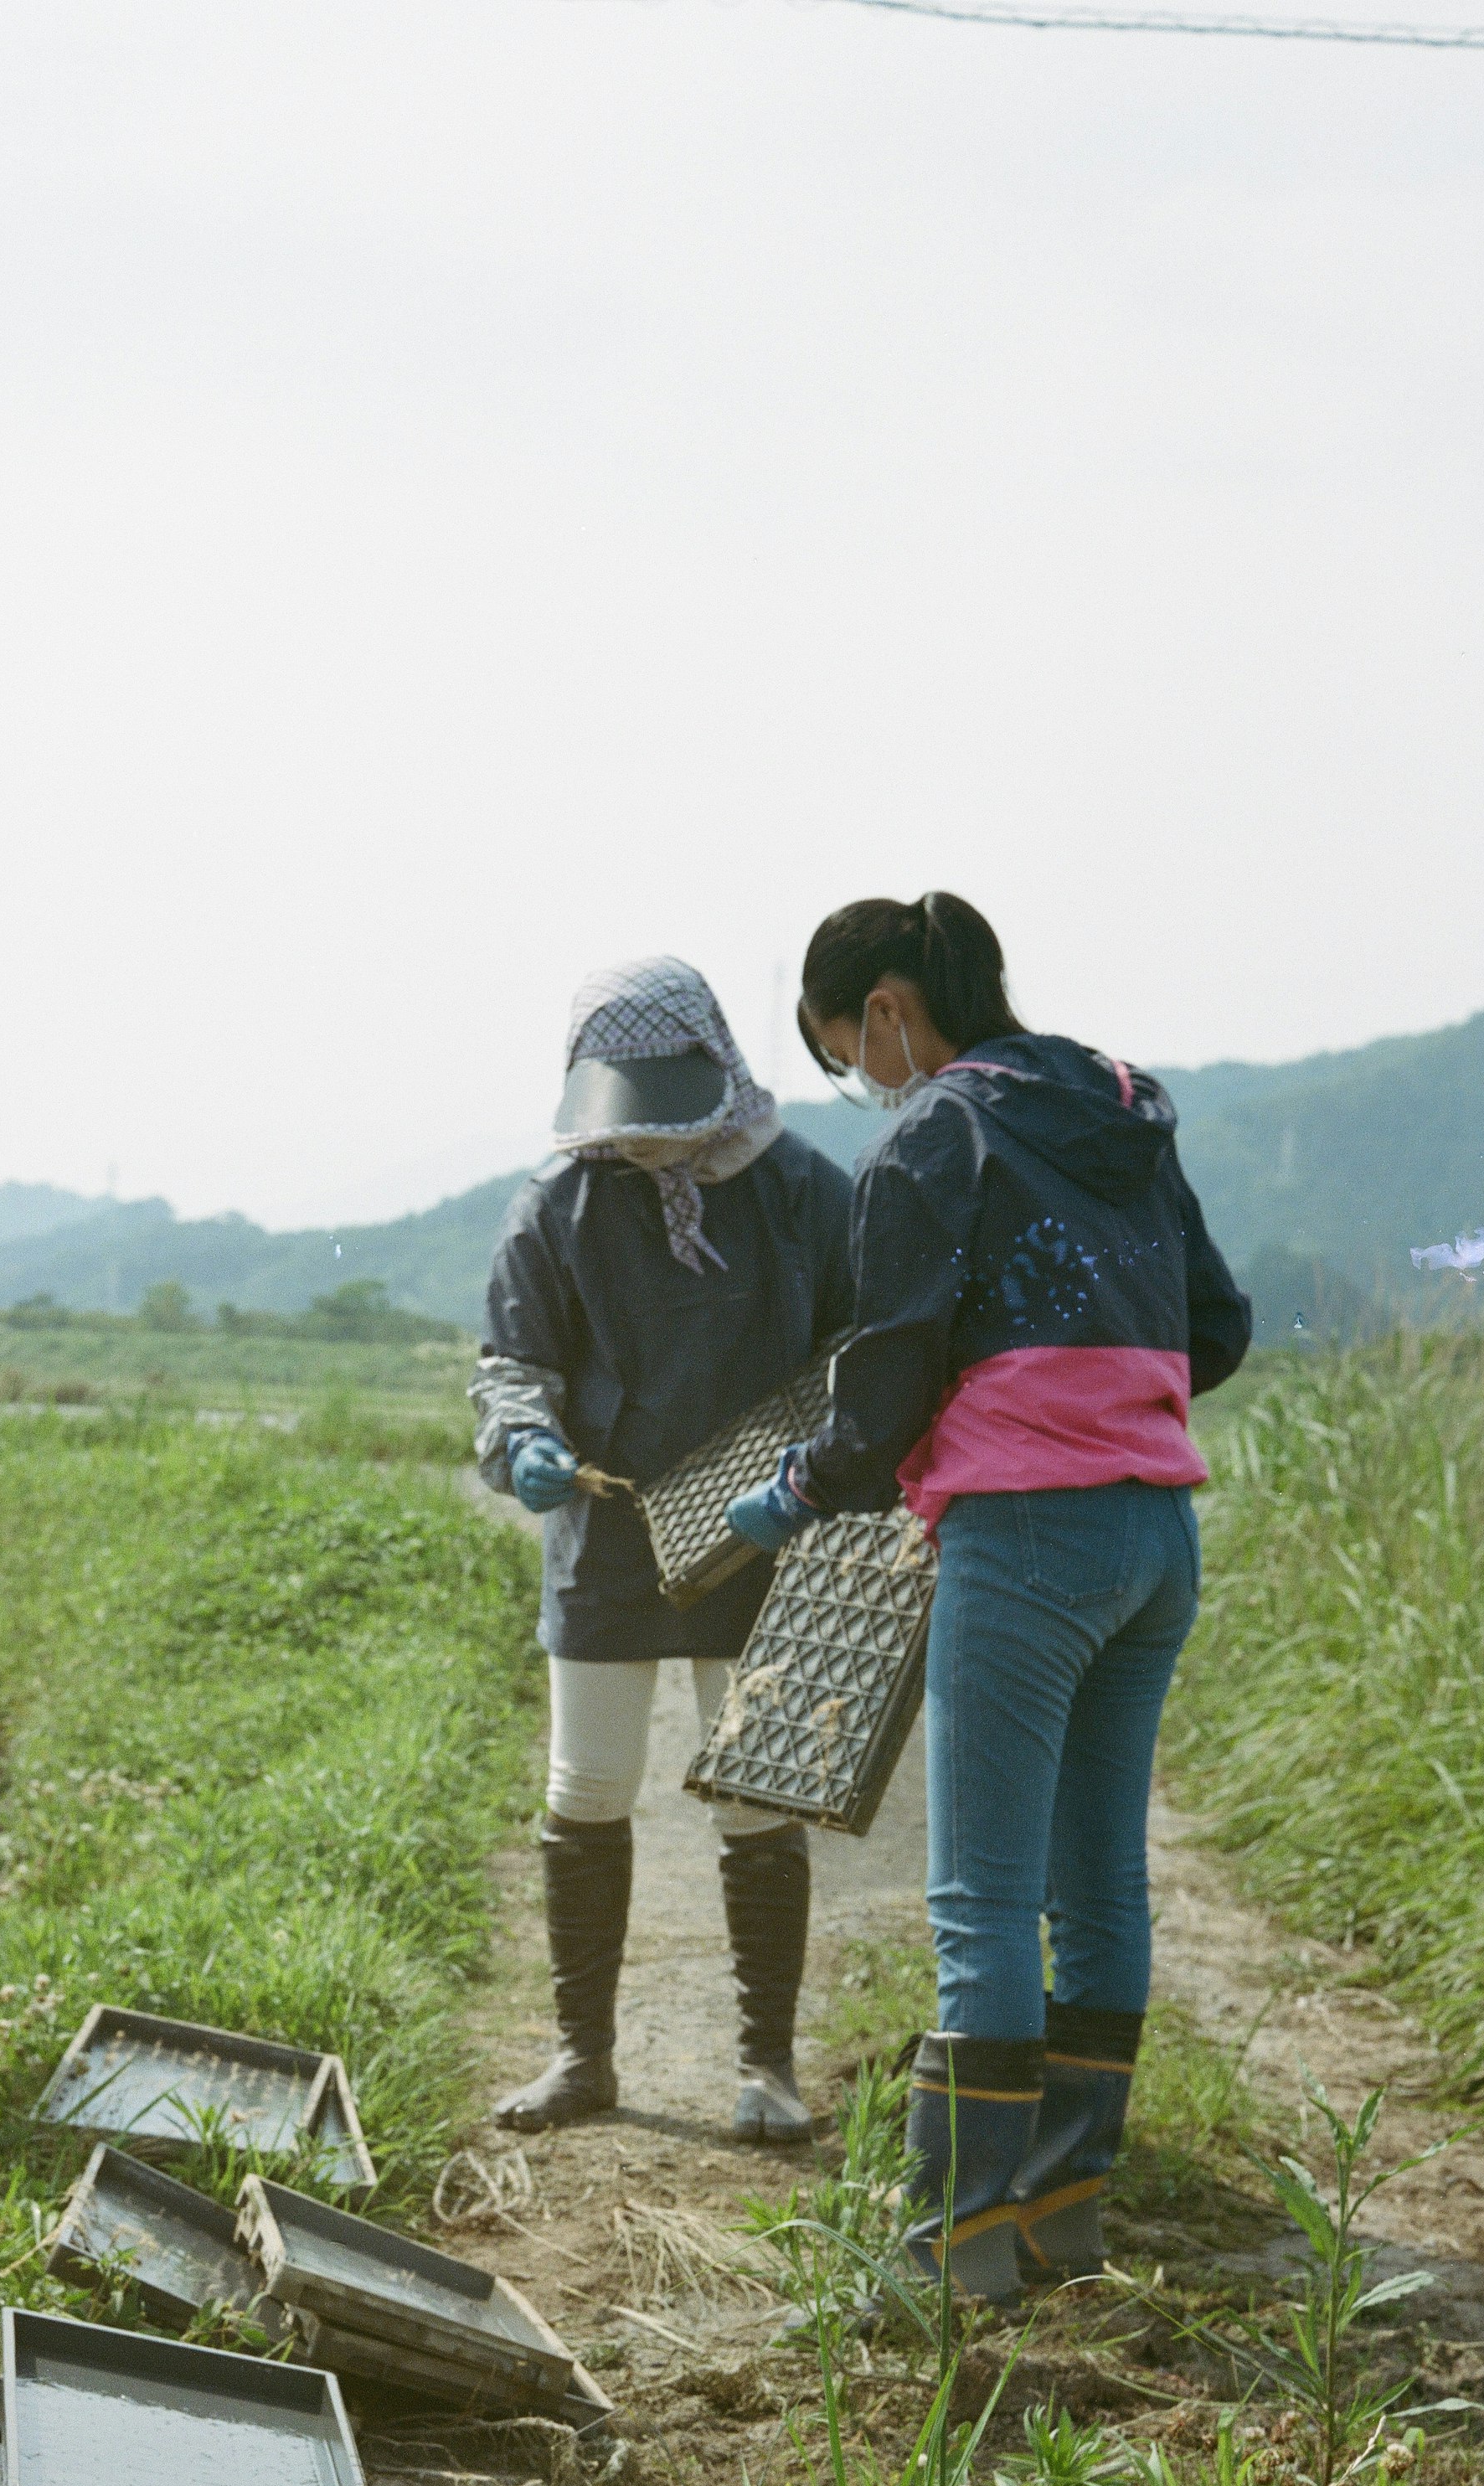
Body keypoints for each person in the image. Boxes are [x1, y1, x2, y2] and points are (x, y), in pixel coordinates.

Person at [726, 891, 1250, 2297]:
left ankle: (954, 2256)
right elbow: (1221, 1324)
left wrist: (800, 1488)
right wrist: (1092, 1417)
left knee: (982, 1902)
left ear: (890, 1009)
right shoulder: (1123, 1104)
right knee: (1100, 1885)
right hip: (1156, 1537)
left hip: (1023, 1546)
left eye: (850, 1052)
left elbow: (887, 1377)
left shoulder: (935, 1131)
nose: (862, 1082)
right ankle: (1060, 2219)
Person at [471, 956, 858, 2143]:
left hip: (765, 1532)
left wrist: (808, 1478)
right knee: (584, 1788)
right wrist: (525, 1442)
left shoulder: (802, 1188)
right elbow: (512, 1368)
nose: (639, 1146)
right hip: (607, 1534)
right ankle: (583, 2055)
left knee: (755, 1794)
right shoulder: (556, 1205)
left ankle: (769, 2067)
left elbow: (865, 1352)